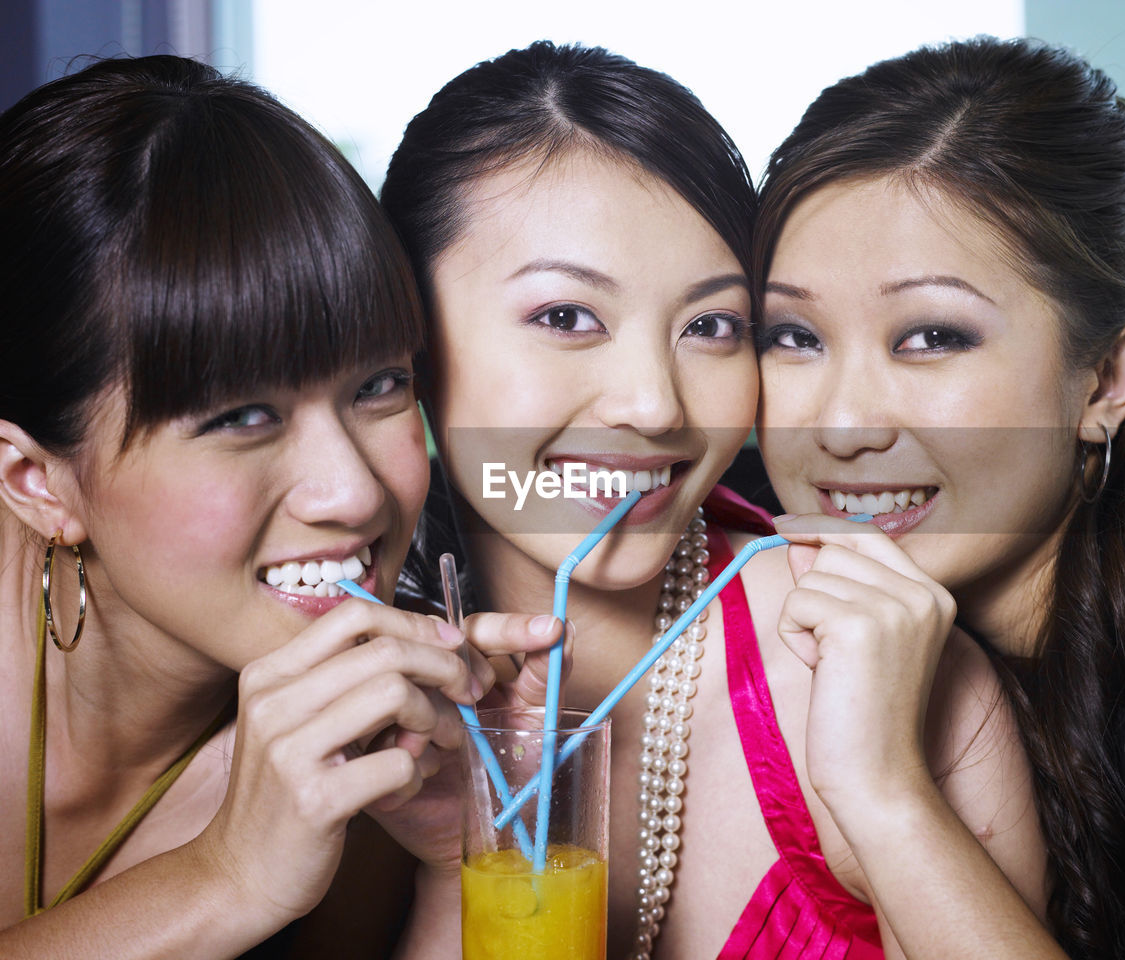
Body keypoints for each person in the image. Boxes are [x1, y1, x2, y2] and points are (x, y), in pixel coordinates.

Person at [381, 41, 1043, 959]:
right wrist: (441, 873)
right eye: (566, 317)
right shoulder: (360, 709)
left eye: (712, 326)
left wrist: (881, 786)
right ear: (405, 338)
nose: (654, 405)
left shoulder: (876, 670)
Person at [0, 55, 560, 958]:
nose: (354, 491)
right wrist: (224, 878)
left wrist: (459, 862)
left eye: (380, 385)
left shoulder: (372, 755)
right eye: (242, 417)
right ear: (37, 481)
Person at [753, 35, 1125, 959]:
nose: (839, 424)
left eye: (931, 337)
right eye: (794, 336)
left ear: (1106, 381)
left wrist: (885, 793)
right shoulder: (783, 583)